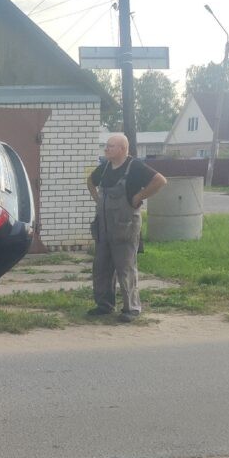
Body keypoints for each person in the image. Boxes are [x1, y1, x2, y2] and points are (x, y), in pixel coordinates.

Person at [86, 133, 167, 323]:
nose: (106, 149)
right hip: (104, 227)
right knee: (101, 267)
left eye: (111, 146)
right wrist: (98, 201)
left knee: (125, 268)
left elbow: (160, 181)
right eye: (106, 146)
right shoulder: (105, 167)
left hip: (125, 227)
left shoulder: (135, 167)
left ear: (122, 149)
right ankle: (104, 305)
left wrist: (139, 197)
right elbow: (90, 181)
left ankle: (131, 308)